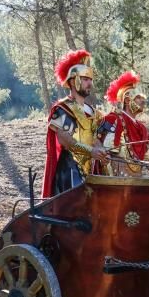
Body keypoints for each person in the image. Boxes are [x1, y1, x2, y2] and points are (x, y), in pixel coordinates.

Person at [42, 49, 109, 197]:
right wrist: (91, 151)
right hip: (69, 170)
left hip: (90, 170)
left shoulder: (93, 112)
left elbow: (96, 140)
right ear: (73, 81)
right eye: (85, 79)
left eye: (90, 80)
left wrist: (102, 152)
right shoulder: (62, 108)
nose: (89, 83)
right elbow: (66, 140)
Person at [100, 71, 149, 178]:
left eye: (143, 98)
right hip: (114, 185)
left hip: (135, 185)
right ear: (127, 100)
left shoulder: (142, 129)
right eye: (139, 98)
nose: (143, 101)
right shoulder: (113, 120)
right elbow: (104, 156)